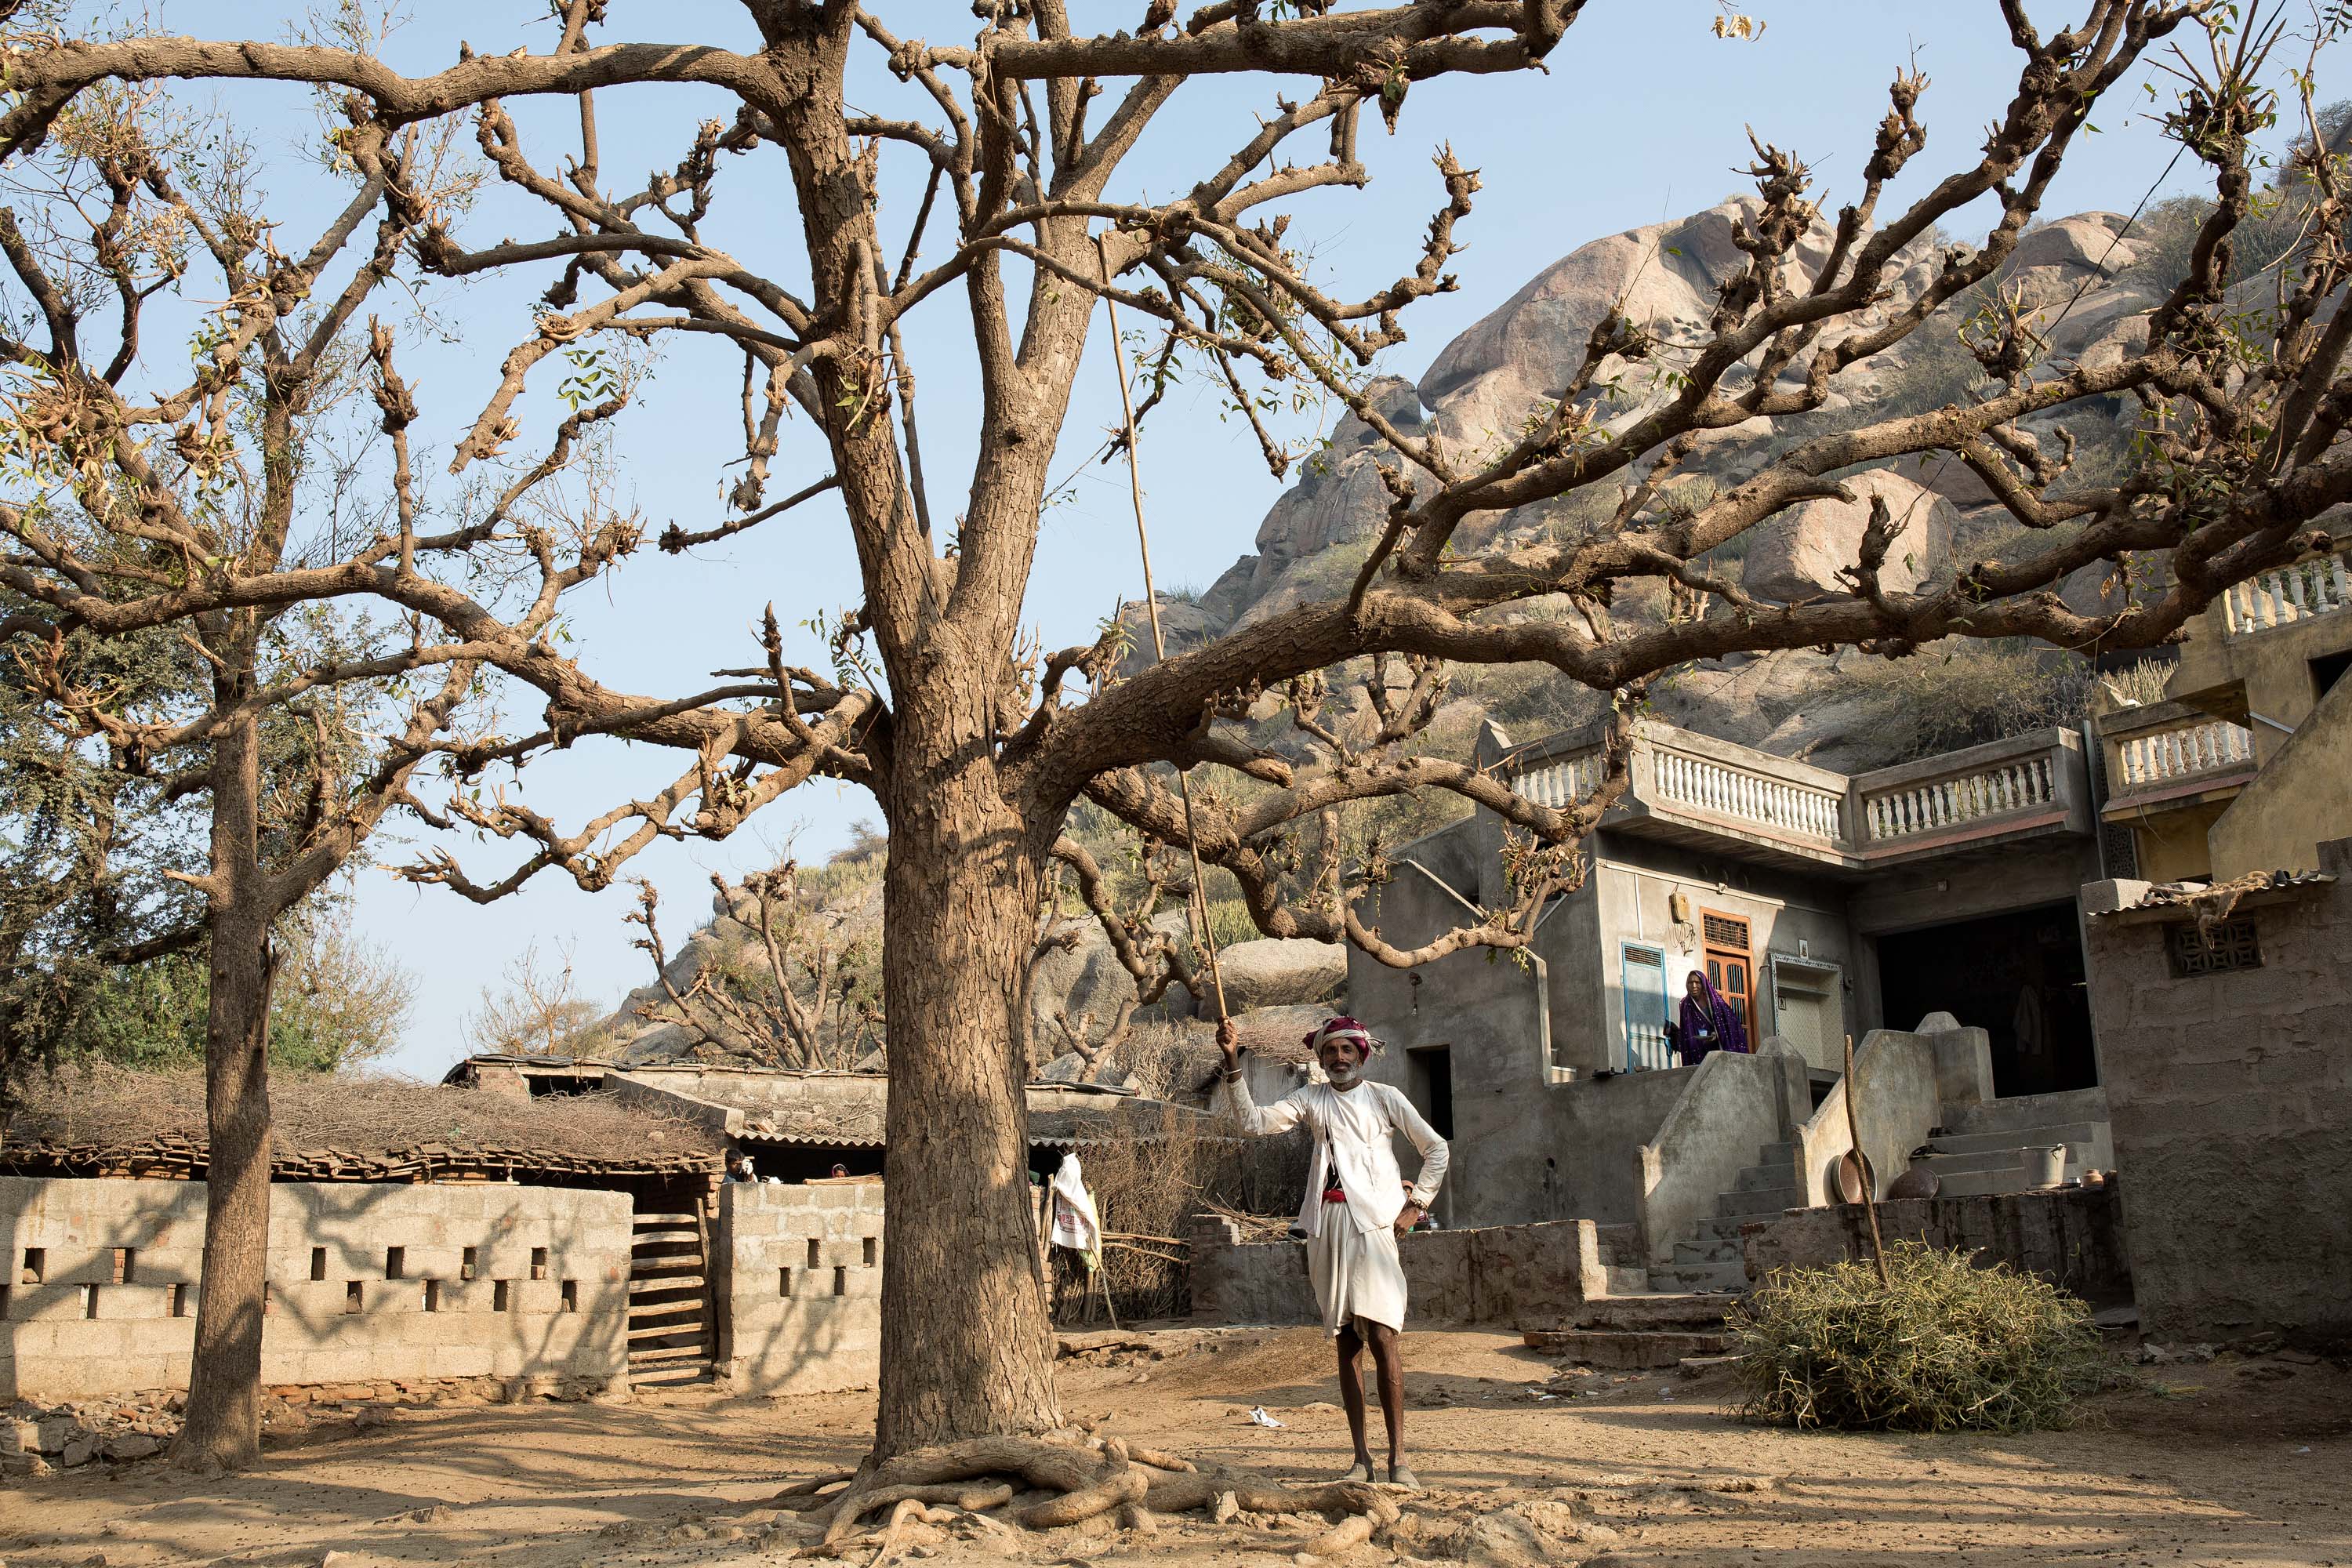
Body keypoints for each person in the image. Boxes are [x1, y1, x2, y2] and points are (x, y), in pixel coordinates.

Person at [1214, 1014, 1448, 1490]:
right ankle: (1360, 1459)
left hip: (1376, 1226)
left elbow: (1436, 1149)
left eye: (1347, 1050)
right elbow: (1255, 1123)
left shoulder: (1385, 1099)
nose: (1338, 1058)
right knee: (1346, 1342)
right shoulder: (1312, 1099)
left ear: (1361, 1054)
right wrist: (1231, 1060)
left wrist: (1416, 1206)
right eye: (1330, 1052)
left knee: (1383, 1336)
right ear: (1320, 1059)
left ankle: (1399, 1459)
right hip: (1327, 1225)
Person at [1671, 969, 1750, 1065]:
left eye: (1697, 982)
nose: (1694, 986)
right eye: (1690, 983)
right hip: (1697, 1048)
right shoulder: (1685, 1004)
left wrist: (1716, 1034)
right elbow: (1686, 1030)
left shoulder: (1715, 1002)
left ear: (1703, 984)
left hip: (1717, 1047)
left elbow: (1730, 1024)